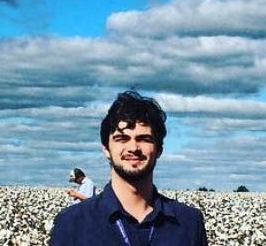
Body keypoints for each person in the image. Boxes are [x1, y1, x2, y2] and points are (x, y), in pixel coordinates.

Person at [50, 90, 208, 245]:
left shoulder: (189, 223)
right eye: (122, 139)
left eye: (144, 139)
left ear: (159, 149)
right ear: (106, 149)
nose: (133, 147)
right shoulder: (72, 224)